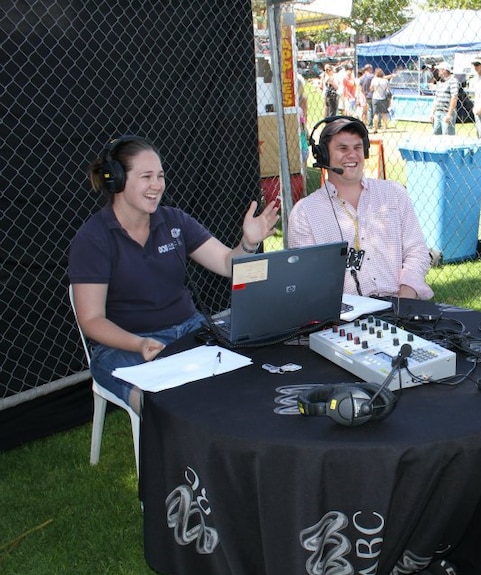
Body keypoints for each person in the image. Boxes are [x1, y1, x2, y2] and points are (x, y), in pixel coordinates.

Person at [68, 135, 280, 414]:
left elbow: (227, 264)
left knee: (246, 376)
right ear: (116, 180)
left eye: (160, 176)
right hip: (127, 344)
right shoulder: (93, 239)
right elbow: (92, 320)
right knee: (164, 406)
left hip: (189, 330)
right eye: (146, 177)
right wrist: (139, 343)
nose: (157, 185)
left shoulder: (174, 220)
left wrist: (248, 243)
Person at [288, 117, 433, 300]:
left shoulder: (394, 193)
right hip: (342, 316)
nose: (352, 155)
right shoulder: (305, 213)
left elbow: (417, 252)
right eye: (342, 148)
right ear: (323, 155)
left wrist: (405, 300)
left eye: (357, 148)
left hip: (401, 303)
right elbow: (307, 279)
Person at [430, 61, 459, 136]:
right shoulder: (440, 82)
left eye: (439, 70)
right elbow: (436, 99)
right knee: (436, 135)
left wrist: (449, 114)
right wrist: (432, 113)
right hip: (438, 113)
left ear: (444, 70)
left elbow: (454, 97)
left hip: (446, 112)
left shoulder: (453, 81)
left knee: (447, 136)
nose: (438, 72)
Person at [369, 68, 391, 133]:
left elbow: (371, 88)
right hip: (383, 98)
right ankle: (384, 128)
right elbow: (388, 90)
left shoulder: (374, 80)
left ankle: (375, 128)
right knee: (384, 113)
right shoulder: (385, 81)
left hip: (375, 97)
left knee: (375, 114)